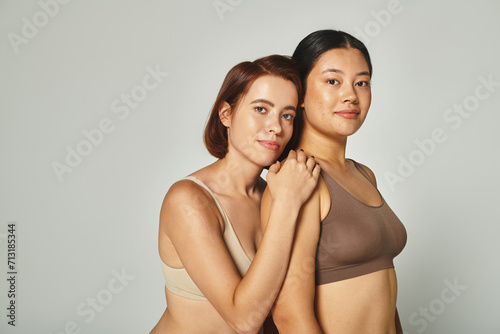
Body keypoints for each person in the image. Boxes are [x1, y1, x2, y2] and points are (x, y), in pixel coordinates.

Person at [150, 55, 320, 334]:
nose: (276, 127)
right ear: (226, 114)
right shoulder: (188, 200)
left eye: (287, 115)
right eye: (261, 109)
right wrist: (288, 203)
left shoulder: (273, 196)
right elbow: (245, 320)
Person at [262, 30, 407, 333]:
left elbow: (383, 299)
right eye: (332, 81)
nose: (351, 95)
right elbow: (290, 315)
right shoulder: (298, 178)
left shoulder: (364, 174)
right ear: (299, 93)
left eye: (361, 82)